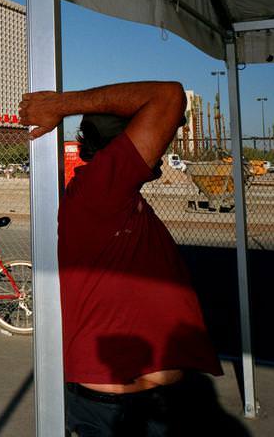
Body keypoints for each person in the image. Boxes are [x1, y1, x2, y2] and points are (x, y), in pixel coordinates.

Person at [18, 81, 224, 436]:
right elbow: (168, 96)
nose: (162, 143)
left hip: (141, 405)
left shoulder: (113, 195)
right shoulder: (103, 186)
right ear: (121, 143)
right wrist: (61, 105)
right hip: (121, 413)